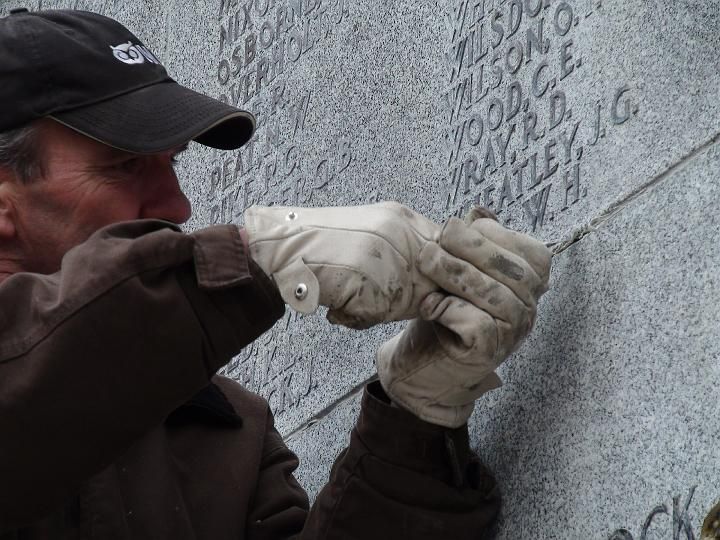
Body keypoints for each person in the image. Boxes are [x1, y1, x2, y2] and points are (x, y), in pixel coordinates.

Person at [0, 8, 551, 539]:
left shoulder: (226, 430)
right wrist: (255, 258)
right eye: (123, 165)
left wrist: (419, 417)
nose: (177, 205)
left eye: (173, 163)